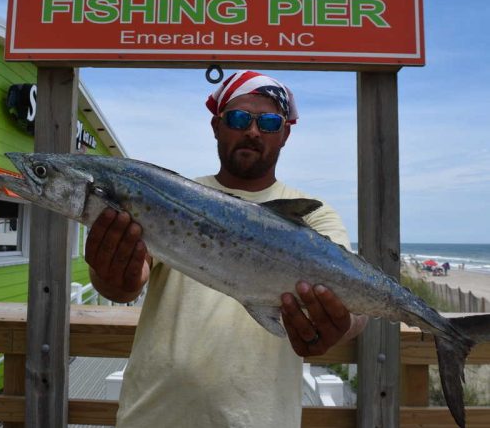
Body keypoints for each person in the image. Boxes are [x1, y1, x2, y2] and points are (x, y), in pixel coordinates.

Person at [86, 70, 368, 428]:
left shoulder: (315, 215)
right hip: (152, 416)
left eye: (267, 122)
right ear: (217, 126)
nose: (252, 131)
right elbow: (128, 281)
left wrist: (340, 325)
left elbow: (359, 307)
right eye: (238, 118)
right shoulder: (171, 194)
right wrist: (109, 275)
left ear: (284, 134)